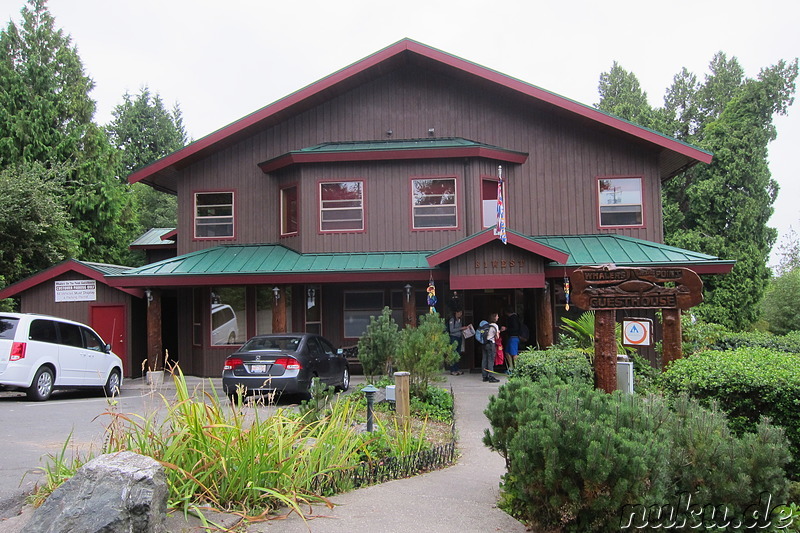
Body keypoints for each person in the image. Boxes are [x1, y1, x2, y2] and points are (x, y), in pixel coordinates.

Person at [447, 310, 469, 375]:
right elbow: (452, 330)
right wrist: (461, 328)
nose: (460, 314)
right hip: (453, 338)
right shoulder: (452, 320)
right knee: (453, 353)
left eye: (461, 313)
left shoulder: (460, 320)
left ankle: (457, 369)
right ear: (456, 313)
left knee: (458, 354)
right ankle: (452, 370)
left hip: (459, 337)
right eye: (459, 313)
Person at [501, 308, 522, 372]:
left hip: (514, 337)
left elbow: (515, 329)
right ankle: (511, 367)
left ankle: (516, 368)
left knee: (514, 353)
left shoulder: (513, 318)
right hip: (512, 337)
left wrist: (506, 329)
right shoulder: (515, 318)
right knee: (507, 352)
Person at [482, 313, 500, 382]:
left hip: (484, 343)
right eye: (497, 316)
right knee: (490, 360)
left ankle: (484, 376)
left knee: (484, 359)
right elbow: (497, 337)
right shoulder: (495, 325)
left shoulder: (487, 325)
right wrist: (498, 332)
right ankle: (491, 376)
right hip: (491, 344)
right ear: (494, 318)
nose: (498, 317)